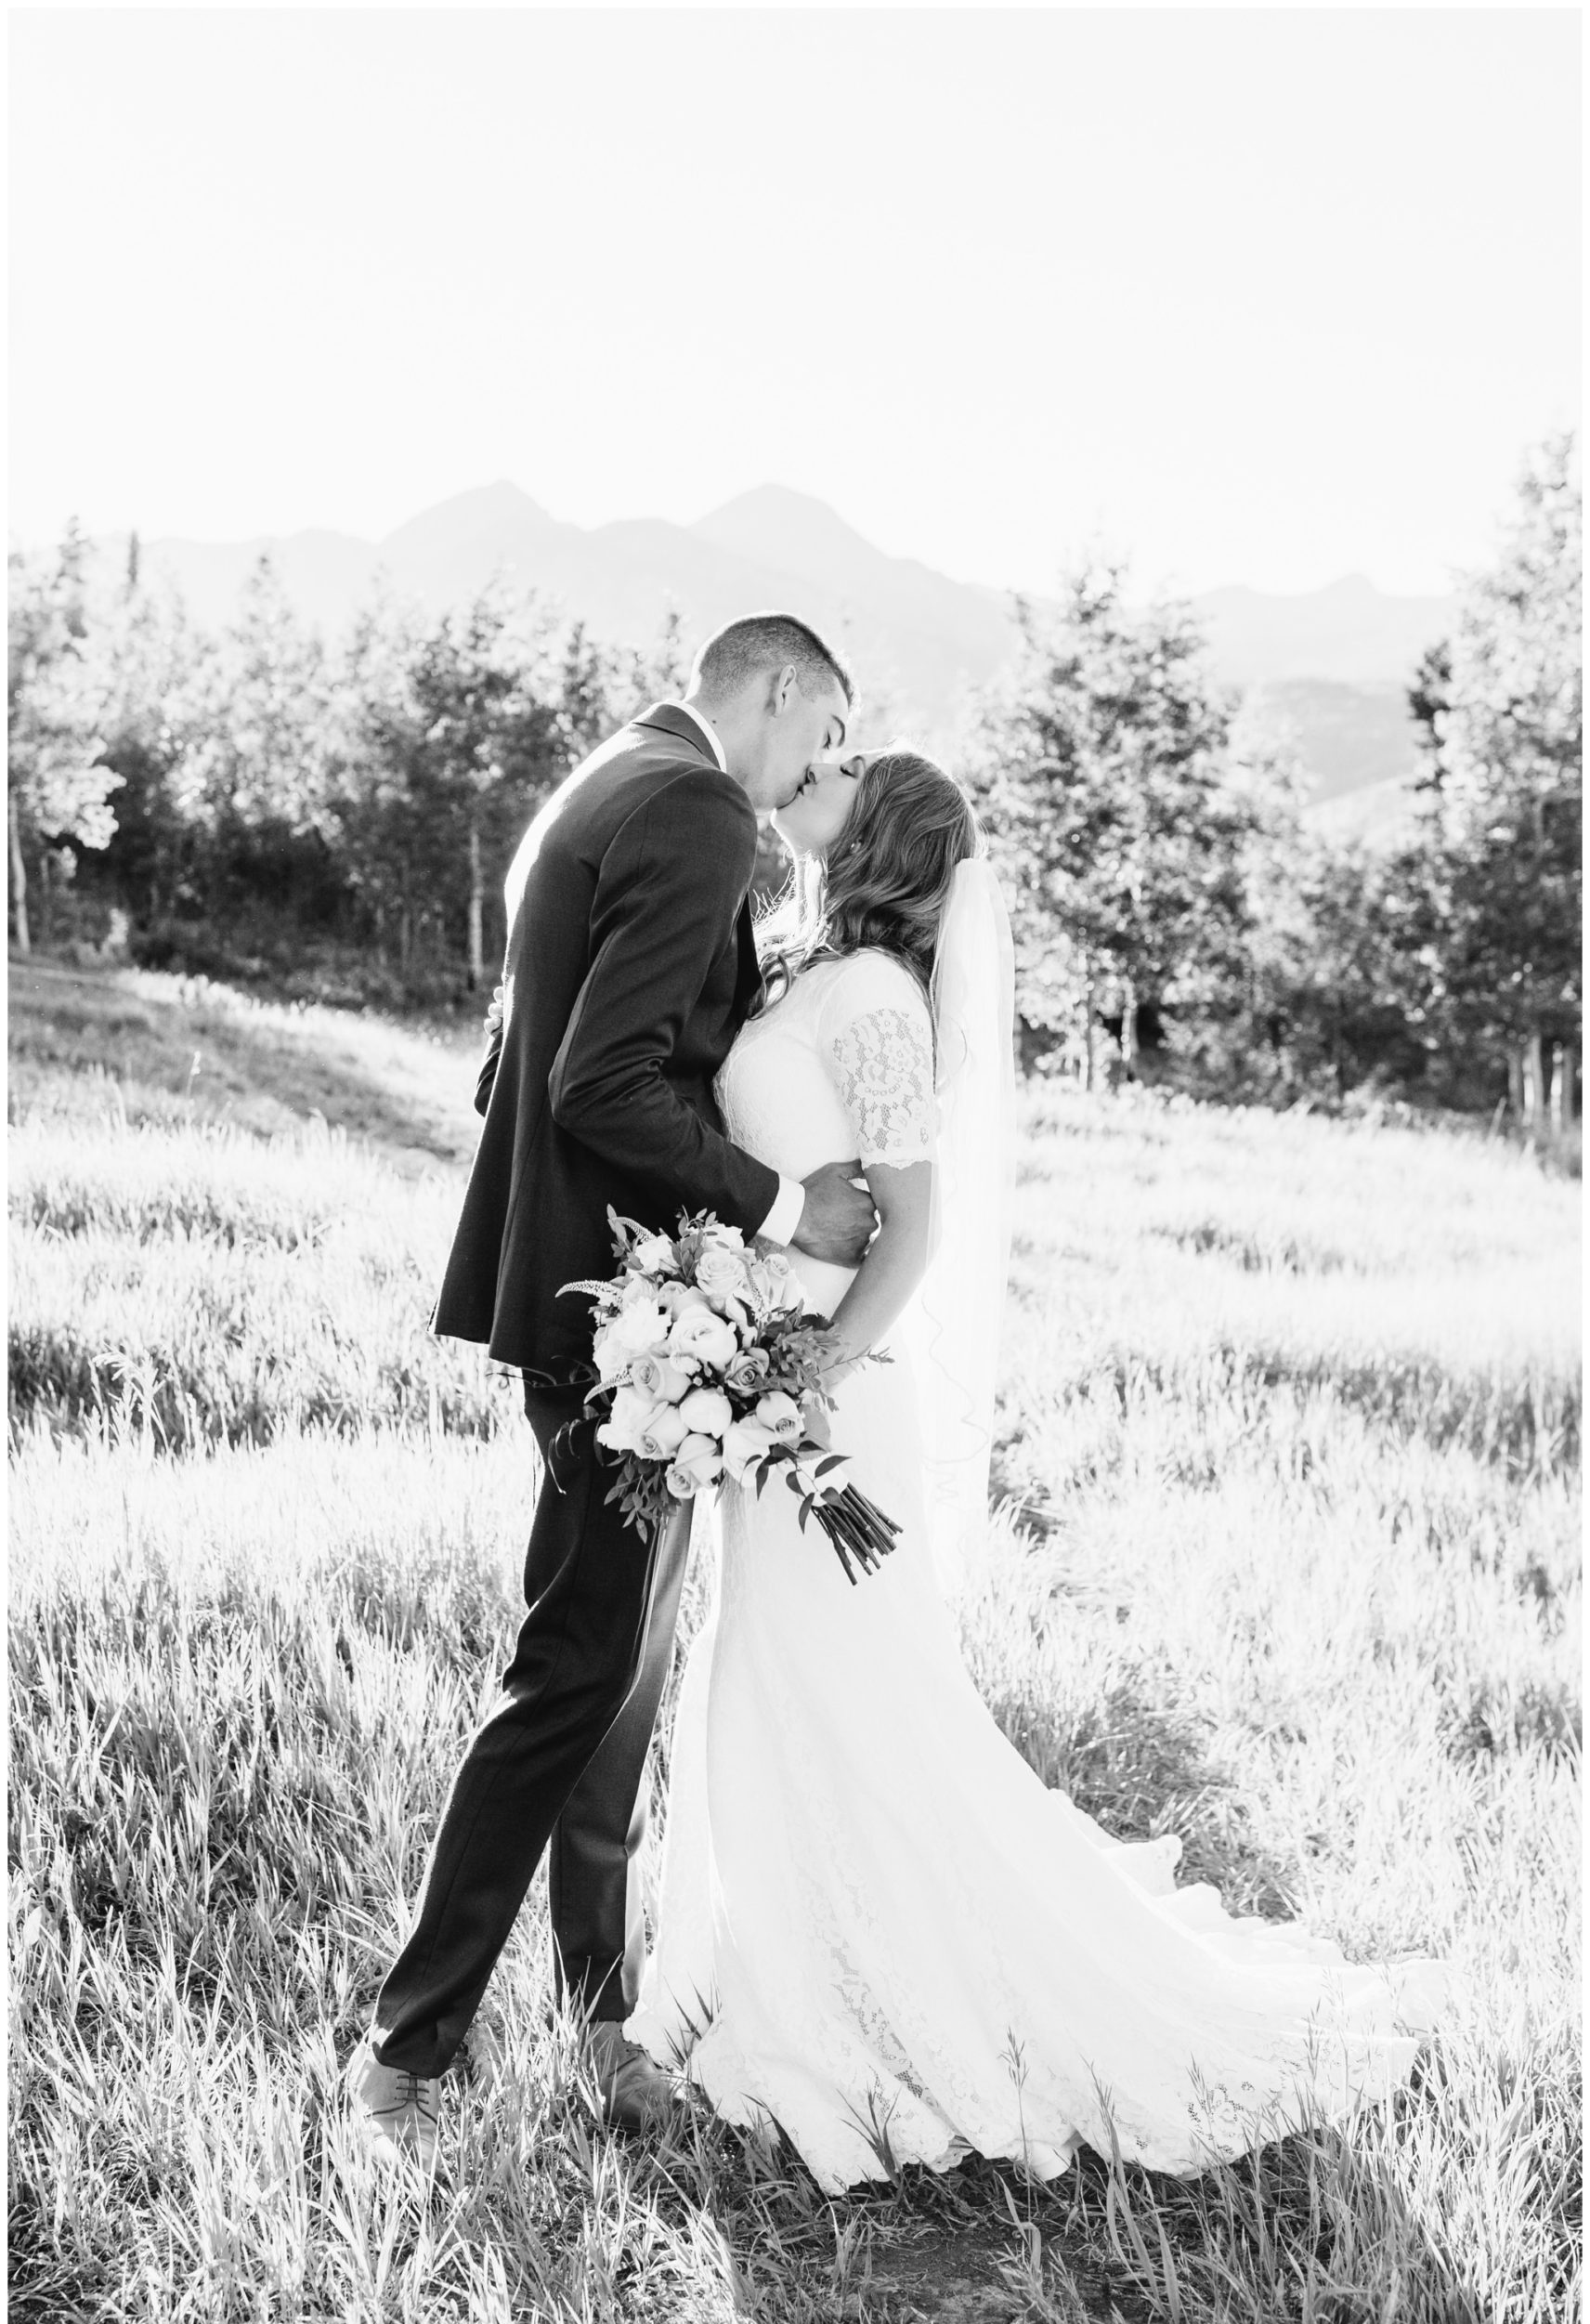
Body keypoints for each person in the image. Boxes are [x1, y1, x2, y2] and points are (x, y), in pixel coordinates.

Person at [624, 747, 1452, 2191]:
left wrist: (807, 1376)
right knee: (763, 1681)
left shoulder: (876, 1001)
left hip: (825, 1402)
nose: (810, 777)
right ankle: (777, 1953)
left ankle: (881, 1990)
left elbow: (911, 1233)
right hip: (757, 1391)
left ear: (875, 833)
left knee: (848, 1691)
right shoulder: (808, 972)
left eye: (839, 773)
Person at [346, 614, 877, 2163]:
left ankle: (600, 2017)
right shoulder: (700, 805)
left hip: (584, 1296)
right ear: (778, 689)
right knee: (575, 1672)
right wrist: (778, 1207)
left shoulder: (607, 776)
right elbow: (594, 1077)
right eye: (824, 730)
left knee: (616, 1677)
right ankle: (402, 2052)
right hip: (619, 1328)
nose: (817, 772)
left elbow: (517, 1055)